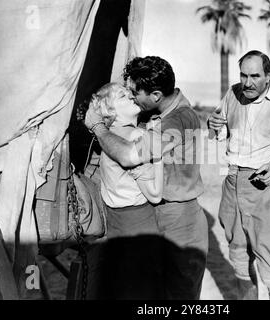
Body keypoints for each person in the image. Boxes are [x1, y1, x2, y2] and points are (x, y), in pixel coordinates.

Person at [85, 56, 208, 300]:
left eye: (134, 93)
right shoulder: (151, 114)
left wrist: (98, 127)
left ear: (155, 95)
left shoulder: (178, 120)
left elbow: (130, 156)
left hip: (178, 218)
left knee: (179, 296)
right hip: (151, 215)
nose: (131, 96)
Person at [208, 50, 270, 300]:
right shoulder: (232, 94)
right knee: (239, 257)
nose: (248, 83)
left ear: (269, 76)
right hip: (233, 182)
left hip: (266, 188)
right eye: (243, 75)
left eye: (255, 76)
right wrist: (214, 127)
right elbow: (221, 134)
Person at [86, 82, 164, 299]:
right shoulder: (138, 136)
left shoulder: (106, 140)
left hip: (114, 224)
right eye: (121, 96)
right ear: (111, 111)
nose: (130, 95)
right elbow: (156, 194)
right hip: (139, 223)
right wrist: (158, 156)